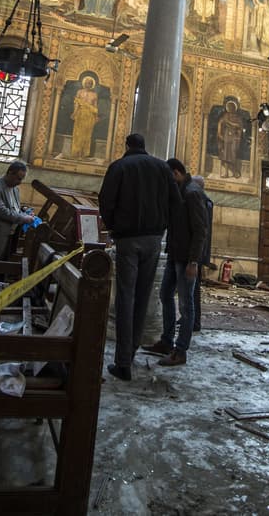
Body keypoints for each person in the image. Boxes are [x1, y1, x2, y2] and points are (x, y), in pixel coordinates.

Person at [99, 133, 181, 381]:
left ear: (127, 146)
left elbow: (106, 201)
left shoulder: (119, 166)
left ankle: (123, 362)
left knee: (125, 296)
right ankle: (132, 351)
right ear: (144, 147)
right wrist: (162, 226)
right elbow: (176, 202)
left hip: (127, 239)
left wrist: (113, 227)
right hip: (154, 239)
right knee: (144, 296)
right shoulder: (161, 167)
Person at [143, 159, 210, 367]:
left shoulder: (192, 193)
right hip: (174, 254)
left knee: (186, 305)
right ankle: (166, 341)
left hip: (186, 258)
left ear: (176, 173)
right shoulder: (180, 191)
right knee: (165, 295)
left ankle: (180, 352)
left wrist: (193, 261)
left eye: (168, 177)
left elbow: (200, 230)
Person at [191, 174, 214, 332]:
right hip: (199, 251)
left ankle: (194, 321)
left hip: (196, 252)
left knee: (193, 288)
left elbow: (200, 231)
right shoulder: (206, 201)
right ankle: (190, 318)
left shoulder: (202, 202)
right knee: (192, 288)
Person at [70, 76, 99, 158]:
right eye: (87, 83)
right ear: (84, 83)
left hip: (89, 116)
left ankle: (84, 153)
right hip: (80, 114)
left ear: (92, 84)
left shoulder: (94, 94)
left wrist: (96, 116)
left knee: (87, 134)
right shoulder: (79, 92)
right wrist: (74, 113)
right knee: (78, 134)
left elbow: (95, 106)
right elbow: (76, 104)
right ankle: (76, 152)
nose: (88, 84)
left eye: (90, 83)